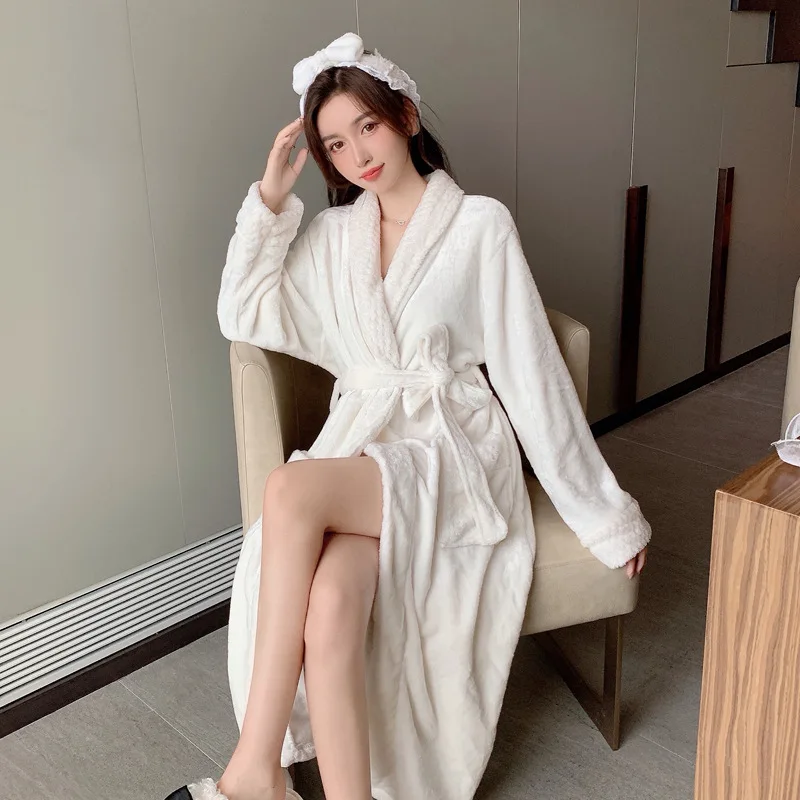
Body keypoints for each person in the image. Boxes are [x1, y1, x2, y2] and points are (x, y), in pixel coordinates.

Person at [165, 31, 650, 800]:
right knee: (330, 607)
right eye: (335, 142)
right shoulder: (332, 239)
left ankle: (255, 771)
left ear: (406, 116)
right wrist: (270, 202)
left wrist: (602, 513)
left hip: (452, 454)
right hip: (370, 446)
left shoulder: (480, 225)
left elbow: (531, 374)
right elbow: (242, 311)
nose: (357, 153)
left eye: (368, 125)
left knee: (289, 490)